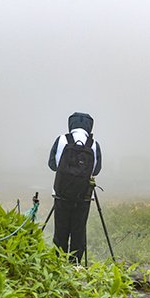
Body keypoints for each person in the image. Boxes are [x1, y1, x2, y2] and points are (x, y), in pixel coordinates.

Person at [48, 112, 102, 264]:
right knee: (78, 231)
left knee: (61, 230)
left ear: (70, 124)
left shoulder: (62, 140)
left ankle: (59, 263)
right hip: (84, 196)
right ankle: (75, 265)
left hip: (61, 194)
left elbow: (52, 165)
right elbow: (96, 170)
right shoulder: (94, 144)